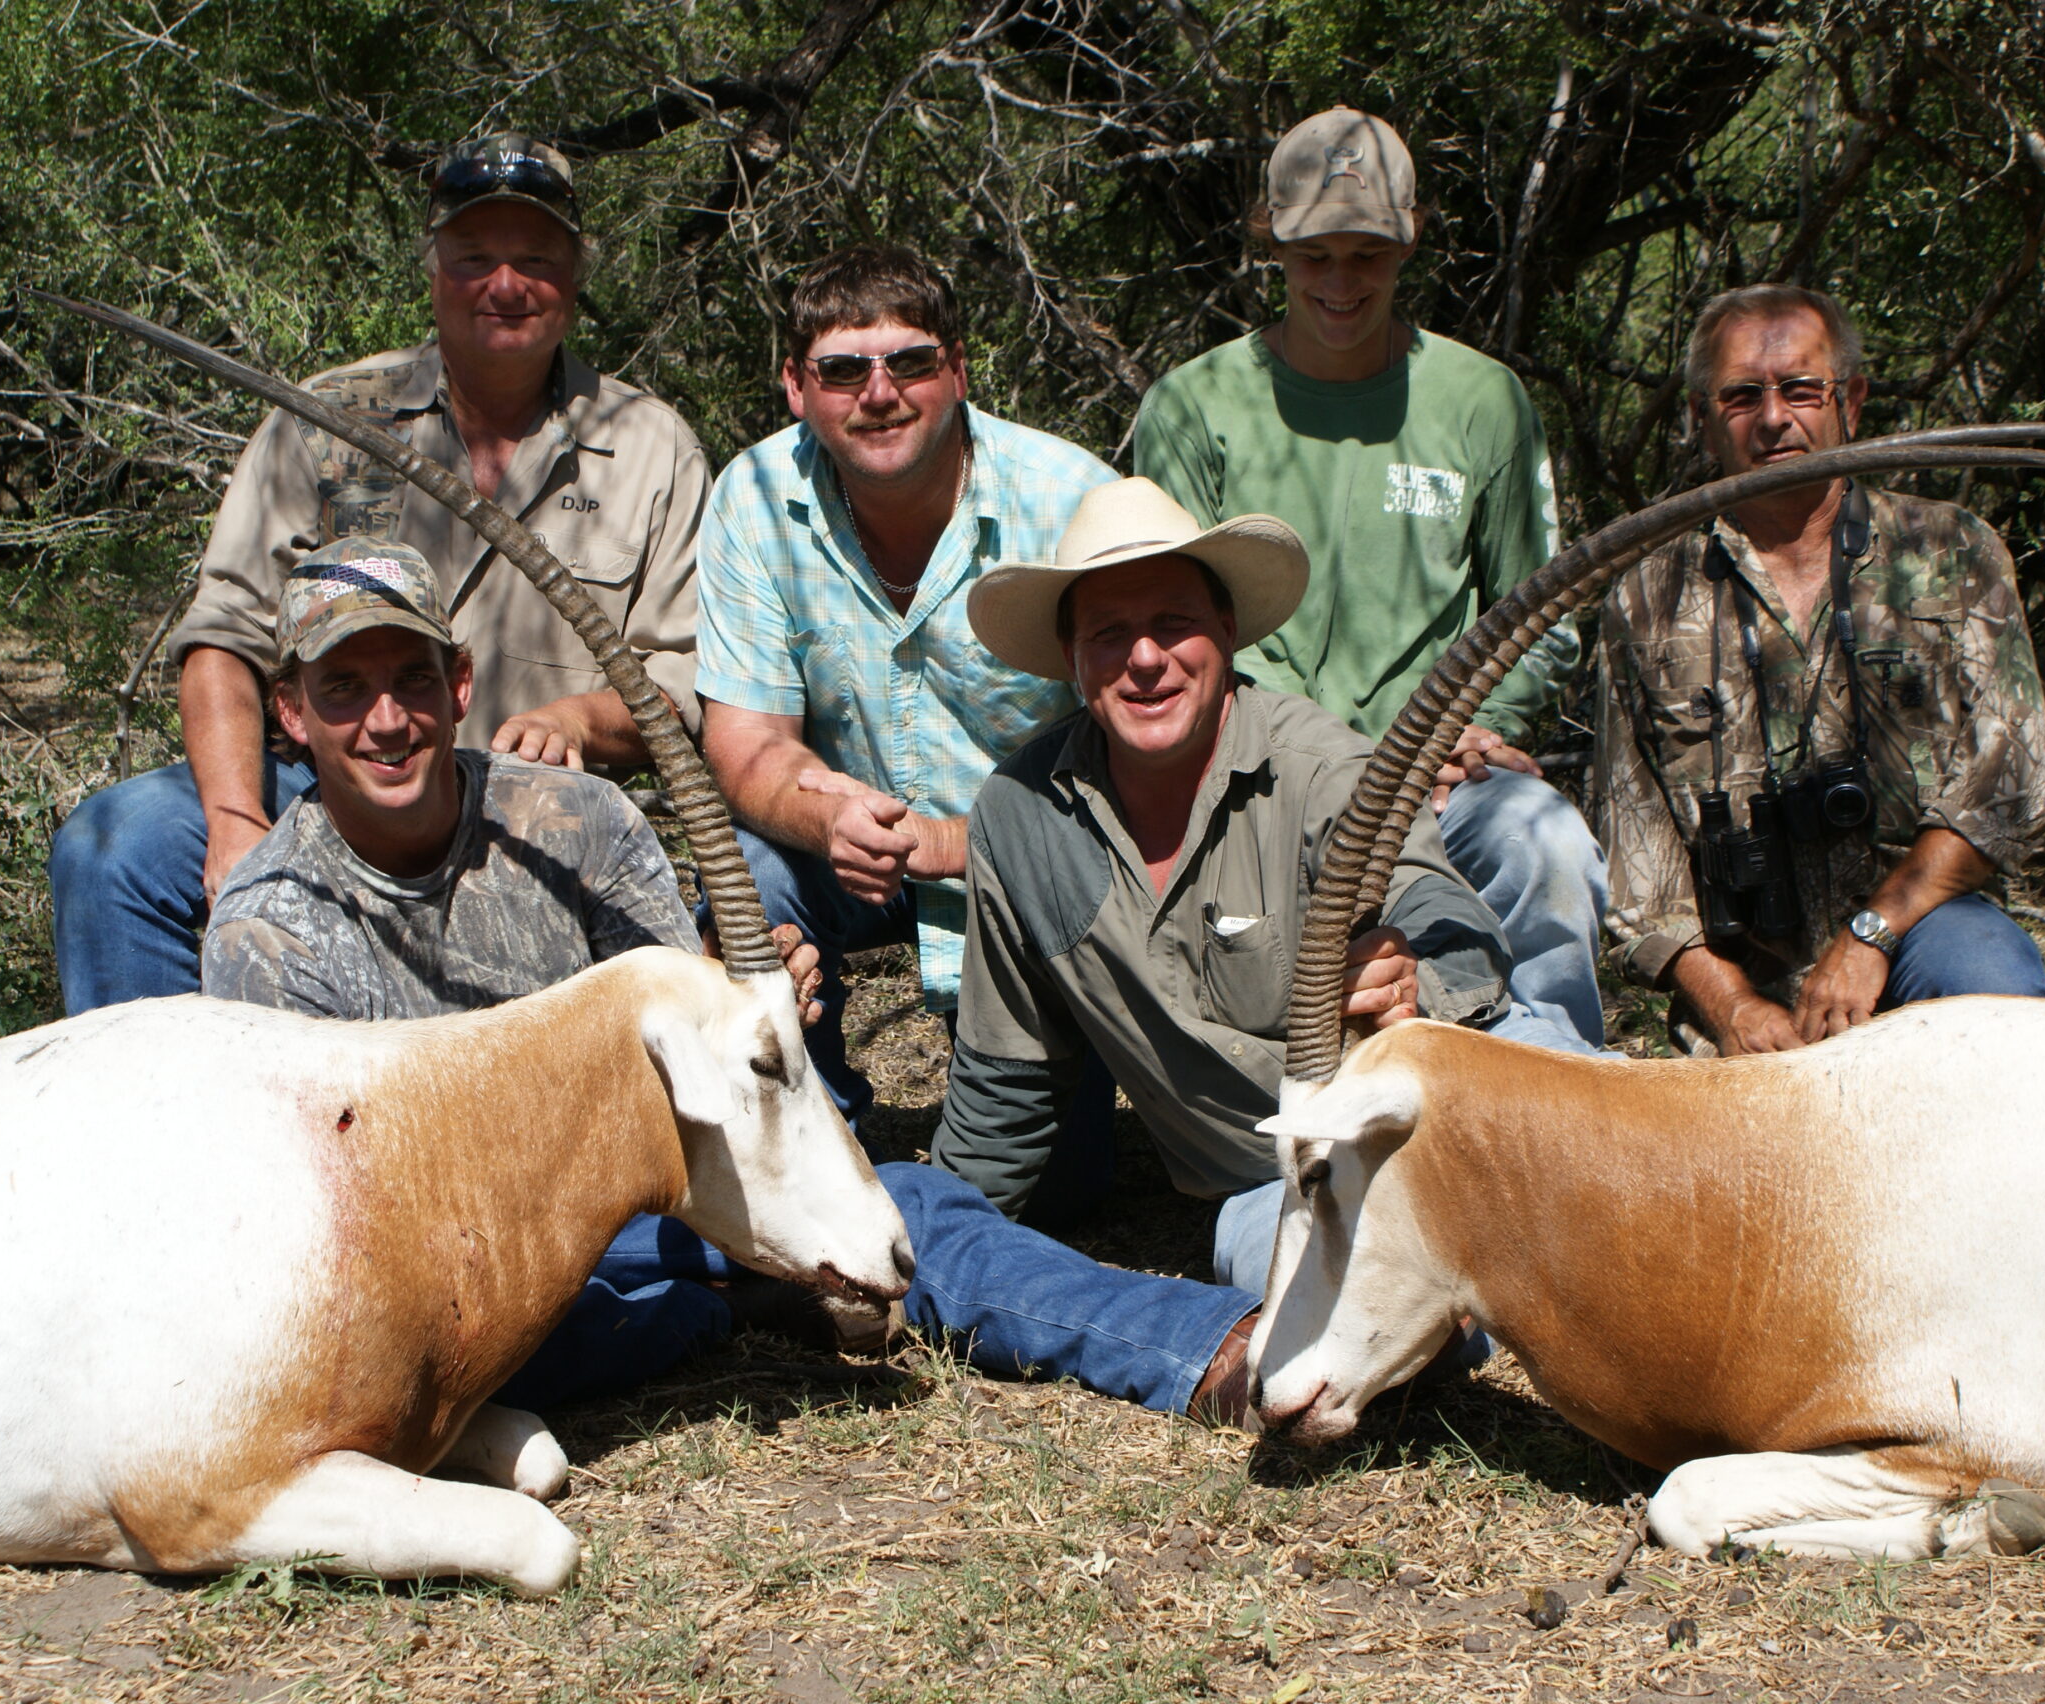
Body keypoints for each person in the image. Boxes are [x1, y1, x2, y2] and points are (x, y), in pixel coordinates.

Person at [207, 538, 1264, 1424]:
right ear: (290, 715)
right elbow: (337, 1236)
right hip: (470, 1273)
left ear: (461, 686)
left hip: (665, 1201)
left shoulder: (575, 820)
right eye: (343, 690)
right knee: (463, 1358)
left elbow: (699, 1040)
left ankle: (1213, 1347)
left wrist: (753, 999)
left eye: (411, 681)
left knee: (912, 1203)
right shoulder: (265, 927)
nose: (386, 721)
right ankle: (733, 1308)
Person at [51, 133, 709, 1013]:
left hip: (528, 806)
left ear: (576, 274)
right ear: (433, 269)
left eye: (535, 260)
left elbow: (688, 682)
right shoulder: (327, 418)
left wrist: (580, 723)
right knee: (121, 844)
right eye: (474, 258)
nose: (505, 286)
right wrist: (235, 820)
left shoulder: (653, 444)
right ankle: (159, 1115)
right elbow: (223, 637)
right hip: (332, 783)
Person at [937, 478, 1558, 1311]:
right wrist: (932, 1242)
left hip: (1426, 1129)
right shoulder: (1019, 817)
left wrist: (1417, 978)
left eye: (1173, 624)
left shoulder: (1322, 769)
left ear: (1226, 632)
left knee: (1611, 1150)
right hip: (1270, 1190)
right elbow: (1003, 1089)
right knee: (1284, 1276)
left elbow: (1443, 915)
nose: (1146, 659)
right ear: (1072, 659)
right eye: (1110, 634)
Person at [1132, 107, 1608, 1053]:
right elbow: (1163, 625)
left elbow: (1544, 613)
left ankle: (1564, 1098)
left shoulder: (1483, 402)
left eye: (1368, 254)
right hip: (1254, 785)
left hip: (1441, 778)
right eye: (1315, 256)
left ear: (1410, 239)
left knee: (1545, 842)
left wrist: (1481, 728)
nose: (1341, 283)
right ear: (1270, 239)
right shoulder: (1195, 406)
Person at [694, 244, 1119, 1167]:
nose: (878, 392)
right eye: (843, 370)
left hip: (1033, 874)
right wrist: (830, 811)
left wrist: (957, 844)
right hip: (846, 862)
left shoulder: (1071, 499)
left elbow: (1137, 764)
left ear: (958, 371)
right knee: (750, 866)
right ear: (797, 389)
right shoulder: (753, 497)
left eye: (911, 362)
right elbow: (746, 743)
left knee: (1061, 1180)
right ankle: (798, 1139)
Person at [1595, 284, 2045, 1057]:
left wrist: (1870, 935)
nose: (1775, 418)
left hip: (1920, 940)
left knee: (1994, 991)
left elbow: (2017, 787)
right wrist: (1735, 1008)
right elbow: (1637, 877)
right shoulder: (1644, 598)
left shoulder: (1952, 550)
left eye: (1801, 390)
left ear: (1852, 399)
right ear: (1699, 420)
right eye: (1743, 396)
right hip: (1747, 994)